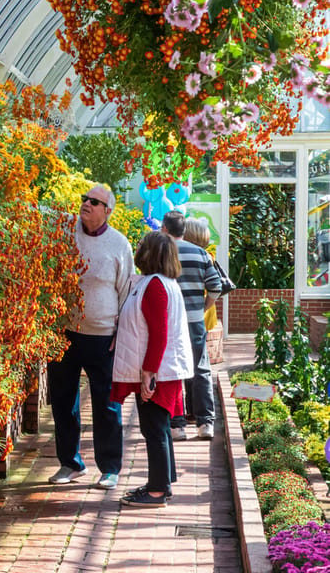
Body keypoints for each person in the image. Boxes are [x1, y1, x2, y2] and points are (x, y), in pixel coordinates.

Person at [47, 184, 134, 490]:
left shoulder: (119, 244)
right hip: (65, 332)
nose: (85, 204)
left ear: (107, 211)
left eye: (94, 201)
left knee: (107, 403)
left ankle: (110, 468)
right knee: (62, 400)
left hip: (103, 337)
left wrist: (120, 330)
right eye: (84, 199)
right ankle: (70, 463)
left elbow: (126, 291)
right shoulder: (64, 234)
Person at [112, 231, 193, 507]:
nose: (138, 249)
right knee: (157, 427)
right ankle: (162, 482)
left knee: (154, 428)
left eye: (141, 246)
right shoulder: (161, 283)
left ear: (150, 254)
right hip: (161, 368)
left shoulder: (156, 286)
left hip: (157, 370)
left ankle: (158, 491)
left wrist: (149, 372)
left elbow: (159, 333)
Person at [161, 211, 222, 440]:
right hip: (195, 320)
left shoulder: (161, 254)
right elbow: (215, 286)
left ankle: (177, 425)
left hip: (169, 322)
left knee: (172, 370)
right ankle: (205, 423)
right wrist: (204, 306)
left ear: (165, 229)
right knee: (201, 369)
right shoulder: (201, 253)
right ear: (184, 230)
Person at [184, 219, 219, 333]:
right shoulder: (207, 256)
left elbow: (215, 286)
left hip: (195, 310)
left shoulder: (201, 256)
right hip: (203, 309)